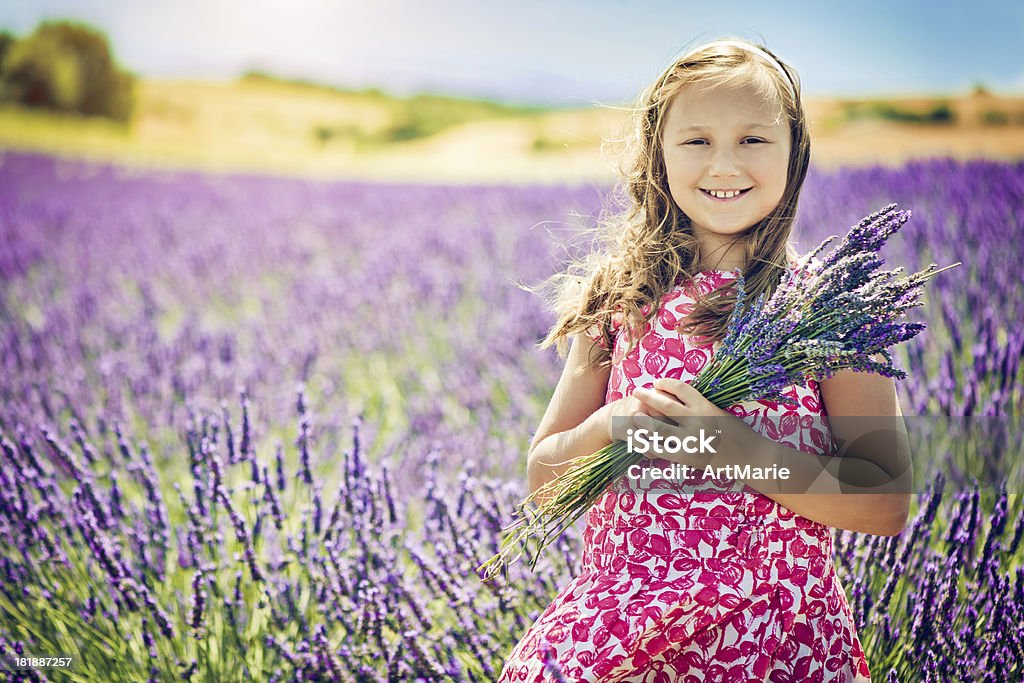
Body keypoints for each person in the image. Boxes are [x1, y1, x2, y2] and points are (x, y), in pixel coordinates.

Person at [498, 37, 912, 682]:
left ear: (794, 153)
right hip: (622, 632)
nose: (724, 164)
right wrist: (611, 428)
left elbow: (885, 501)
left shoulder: (827, 314)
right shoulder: (621, 301)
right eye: (696, 141)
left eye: (753, 140)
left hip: (772, 640)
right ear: (657, 156)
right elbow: (543, 478)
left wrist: (737, 451)